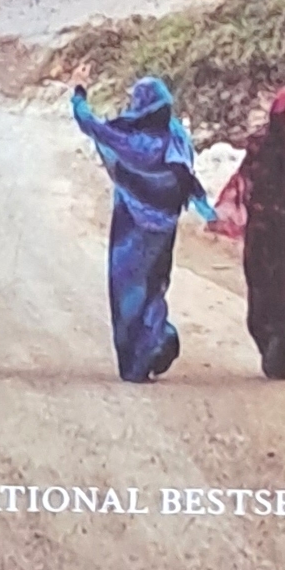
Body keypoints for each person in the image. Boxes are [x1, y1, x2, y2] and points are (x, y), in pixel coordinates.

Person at [71, 73, 215, 383]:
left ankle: (138, 357)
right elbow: (185, 173)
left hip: (131, 228)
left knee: (127, 291)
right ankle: (155, 340)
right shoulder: (175, 136)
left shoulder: (129, 139)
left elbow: (92, 126)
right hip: (164, 228)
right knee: (154, 285)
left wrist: (79, 98)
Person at [210, 88, 285, 379]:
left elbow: (243, 184)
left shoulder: (258, 147)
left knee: (263, 294)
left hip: (263, 237)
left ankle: (271, 345)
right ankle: (283, 353)